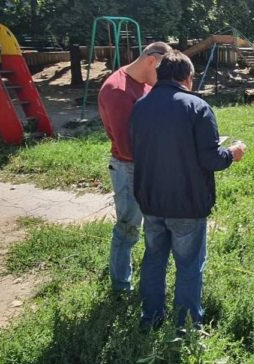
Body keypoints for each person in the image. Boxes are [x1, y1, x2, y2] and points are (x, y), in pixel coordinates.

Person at [130, 50, 247, 330]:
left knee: (154, 260)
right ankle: (185, 326)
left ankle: (151, 318)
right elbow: (211, 159)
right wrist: (233, 153)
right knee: (189, 265)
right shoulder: (197, 107)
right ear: (187, 78)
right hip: (187, 204)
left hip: (151, 201)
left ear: (159, 75)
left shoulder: (140, 106)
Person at [98, 41, 172, 291]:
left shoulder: (144, 84)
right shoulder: (118, 91)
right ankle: (121, 286)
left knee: (155, 227)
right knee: (128, 228)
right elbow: (127, 146)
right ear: (151, 61)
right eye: (162, 73)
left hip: (149, 165)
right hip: (130, 168)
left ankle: (150, 281)